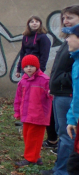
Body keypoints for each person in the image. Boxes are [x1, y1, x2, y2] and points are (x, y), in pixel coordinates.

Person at [45, 23, 79, 175]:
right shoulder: (76, 61)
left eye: (70, 36)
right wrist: (72, 119)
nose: (66, 40)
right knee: (75, 164)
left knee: (75, 165)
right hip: (76, 119)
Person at [42, 6, 79, 175]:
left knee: (67, 134)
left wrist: (62, 81)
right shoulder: (68, 40)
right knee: (60, 131)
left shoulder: (76, 41)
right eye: (64, 18)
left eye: (70, 18)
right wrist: (54, 84)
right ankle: (59, 167)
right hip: (59, 93)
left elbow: (74, 71)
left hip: (68, 94)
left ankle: (63, 172)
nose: (65, 21)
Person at [15, 16, 56, 150]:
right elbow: (22, 53)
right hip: (26, 69)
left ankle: (37, 122)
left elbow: (44, 55)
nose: (34, 23)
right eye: (31, 21)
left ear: (40, 24)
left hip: (36, 70)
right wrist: (19, 69)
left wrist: (39, 72)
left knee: (36, 97)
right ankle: (25, 118)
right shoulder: (26, 37)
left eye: (36, 21)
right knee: (24, 96)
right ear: (28, 24)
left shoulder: (43, 38)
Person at [14, 55, 52, 167]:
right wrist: (17, 111)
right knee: (27, 136)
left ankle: (30, 159)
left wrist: (51, 93)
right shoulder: (23, 81)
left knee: (34, 137)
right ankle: (36, 156)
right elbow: (18, 98)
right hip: (26, 115)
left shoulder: (44, 80)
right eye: (26, 66)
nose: (29, 68)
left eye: (31, 66)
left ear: (37, 66)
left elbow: (51, 95)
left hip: (39, 115)